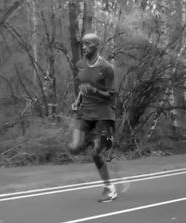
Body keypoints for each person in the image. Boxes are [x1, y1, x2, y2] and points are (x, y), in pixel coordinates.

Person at [69, 33, 117, 203]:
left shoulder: (107, 68)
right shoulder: (80, 65)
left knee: (96, 153)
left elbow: (111, 96)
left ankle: (109, 189)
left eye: (87, 44)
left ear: (96, 46)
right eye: (82, 44)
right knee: (74, 148)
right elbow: (82, 88)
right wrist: (77, 100)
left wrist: (95, 90)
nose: (83, 47)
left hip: (103, 114)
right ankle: (97, 140)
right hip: (85, 113)